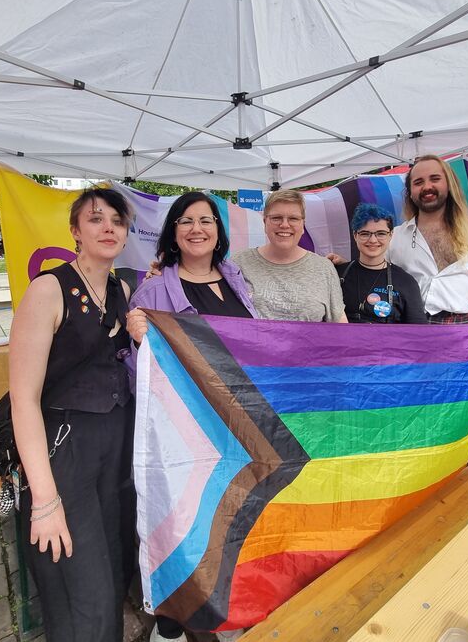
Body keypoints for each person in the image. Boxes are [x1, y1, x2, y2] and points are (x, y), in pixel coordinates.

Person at [126, 191, 256, 642]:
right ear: (172, 233)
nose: (196, 229)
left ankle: (228, 602)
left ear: (218, 231)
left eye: (206, 220)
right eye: (185, 221)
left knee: (232, 515)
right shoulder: (153, 290)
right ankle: (175, 619)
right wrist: (139, 344)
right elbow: (135, 375)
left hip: (238, 424)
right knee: (186, 521)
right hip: (187, 431)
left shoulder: (237, 278)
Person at [9, 186, 134, 642]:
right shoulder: (48, 289)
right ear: (75, 231)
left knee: (115, 576)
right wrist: (43, 501)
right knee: (85, 593)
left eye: (117, 222)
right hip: (67, 455)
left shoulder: (121, 289)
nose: (108, 228)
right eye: (96, 219)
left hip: (116, 456)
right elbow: (23, 398)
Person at [389, 154, 468, 454]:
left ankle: (466, 475)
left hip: (464, 332)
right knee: (419, 410)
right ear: (411, 192)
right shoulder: (397, 236)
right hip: (417, 331)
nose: (427, 187)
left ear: (449, 183)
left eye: (434, 178)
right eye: (418, 182)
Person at [232, 190, 346, 322]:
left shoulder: (324, 268)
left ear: (302, 225)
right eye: (276, 218)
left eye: (293, 218)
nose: (285, 225)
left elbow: (339, 321)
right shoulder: (239, 263)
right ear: (265, 222)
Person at [335, 203, 427, 324]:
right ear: (355, 235)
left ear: (391, 235)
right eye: (365, 234)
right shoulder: (337, 274)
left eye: (381, 233)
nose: (373, 240)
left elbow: (418, 332)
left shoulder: (406, 282)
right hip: (342, 342)